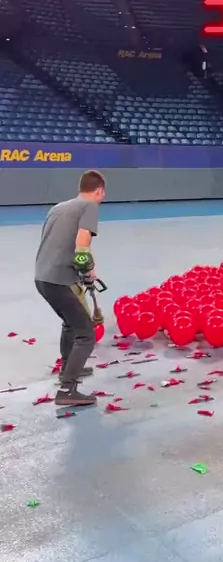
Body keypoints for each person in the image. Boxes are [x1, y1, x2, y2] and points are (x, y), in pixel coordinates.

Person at [35, 170, 106, 408]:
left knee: (70, 323)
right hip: (59, 281)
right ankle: (67, 389)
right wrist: (87, 271)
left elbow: (56, 243)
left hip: (43, 278)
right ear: (99, 191)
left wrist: (82, 272)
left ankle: (67, 368)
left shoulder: (58, 208)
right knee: (86, 334)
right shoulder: (90, 207)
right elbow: (82, 245)